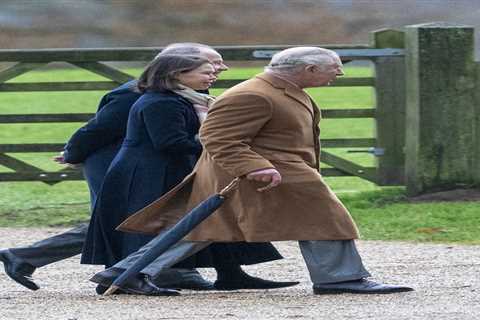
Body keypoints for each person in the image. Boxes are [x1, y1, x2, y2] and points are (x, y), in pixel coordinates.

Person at [113, 47, 414, 295]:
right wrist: (254, 166)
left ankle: (126, 272)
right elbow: (217, 138)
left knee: (201, 229)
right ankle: (341, 278)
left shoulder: (281, 90)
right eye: (334, 67)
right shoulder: (253, 94)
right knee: (326, 216)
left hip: (279, 174)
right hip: (255, 175)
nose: (340, 73)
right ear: (309, 69)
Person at [0, 43, 285, 293]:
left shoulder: (191, 92)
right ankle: (26, 256)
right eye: (211, 62)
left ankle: (215, 271)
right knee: (124, 223)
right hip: (121, 163)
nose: (220, 67)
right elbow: (98, 129)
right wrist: (73, 153)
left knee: (190, 213)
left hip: (161, 163)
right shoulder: (134, 94)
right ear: (176, 67)